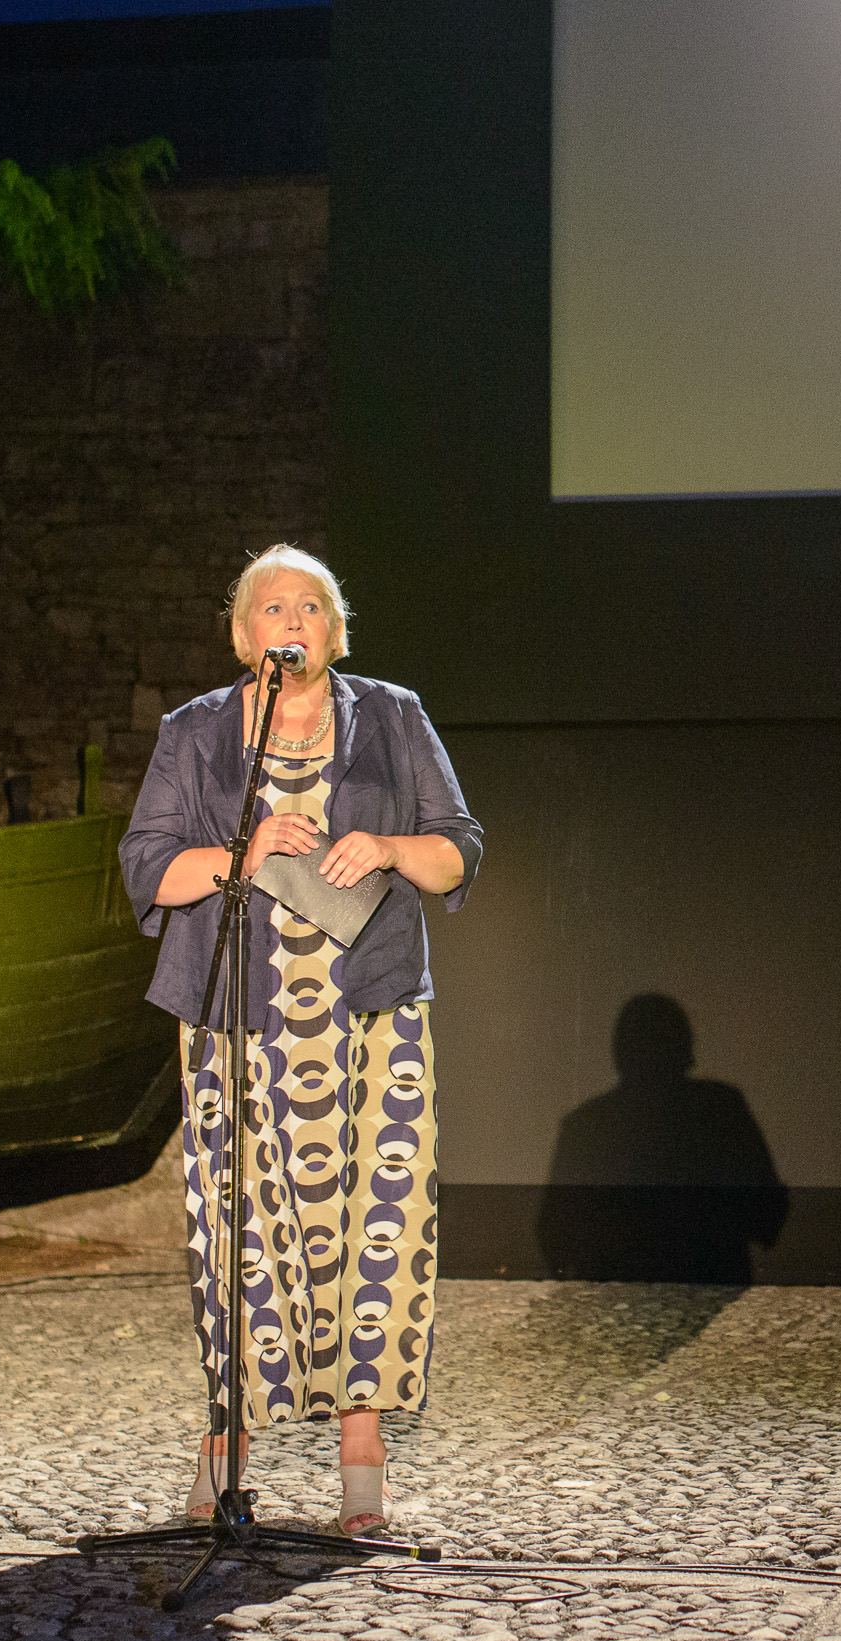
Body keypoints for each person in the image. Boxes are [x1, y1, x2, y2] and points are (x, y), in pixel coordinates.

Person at [118, 545, 482, 1535]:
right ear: (245, 637)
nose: (292, 621)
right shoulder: (196, 732)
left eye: (310, 606)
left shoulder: (393, 715)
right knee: (239, 1234)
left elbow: (458, 849)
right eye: (272, 608)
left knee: (375, 1228)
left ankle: (362, 1454)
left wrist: (391, 846)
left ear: (335, 630)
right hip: (241, 1020)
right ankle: (226, 1443)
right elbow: (146, 866)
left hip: (370, 1021)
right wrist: (237, 855)